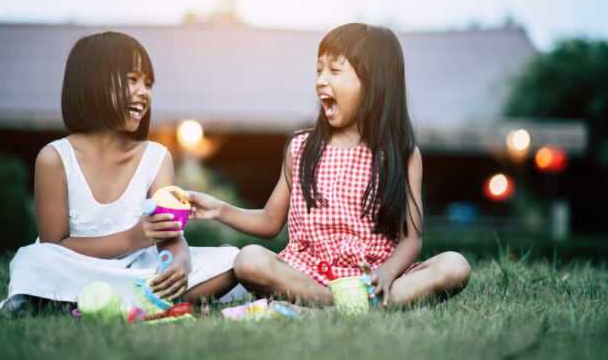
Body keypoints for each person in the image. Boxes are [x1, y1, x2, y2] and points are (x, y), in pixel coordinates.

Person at [187, 23, 471, 306]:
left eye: (334, 71)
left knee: (455, 265)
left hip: (373, 278)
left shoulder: (402, 155)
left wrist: (387, 272)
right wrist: (218, 209)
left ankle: (342, 304)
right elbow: (271, 221)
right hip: (306, 275)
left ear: (375, 82)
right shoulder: (301, 148)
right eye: (319, 70)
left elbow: (411, 239)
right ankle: (347, 305)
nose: (321, 80)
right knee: (249, 259)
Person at [0, 31, 241, 316]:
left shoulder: (156, 157)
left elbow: (171, 237)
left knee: (233, 259)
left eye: (148, 83)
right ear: (92, 83)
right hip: (77, 267)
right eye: (132, 80)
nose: (144, 92)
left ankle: (78, 300)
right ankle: (145, 299)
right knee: (35, 259)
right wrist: (132, 238)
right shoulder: (54, 158)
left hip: (143, 267)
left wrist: (180, 266)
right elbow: (56, 247)